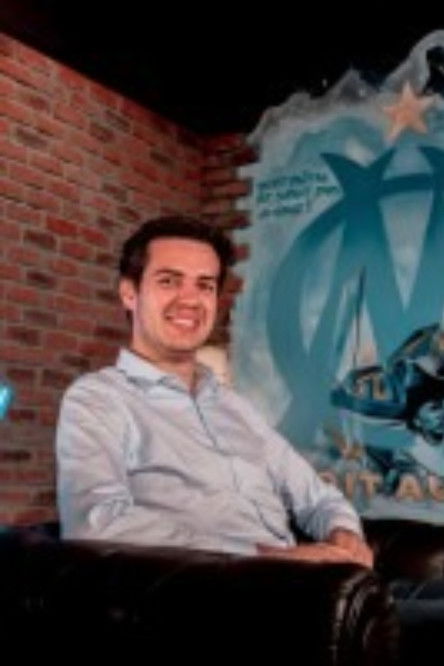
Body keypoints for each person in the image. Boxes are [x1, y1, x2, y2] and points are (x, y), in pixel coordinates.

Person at [56, 215, 372, 566]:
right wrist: (267, 558)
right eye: (169, 281)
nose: (190, 300)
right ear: (129, 293)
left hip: (300, 581)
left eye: (204, 285)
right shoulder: (97, 399)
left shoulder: (234, 407)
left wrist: (344, 537)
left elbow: (318, 498)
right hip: (207, 587)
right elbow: (97, 523)